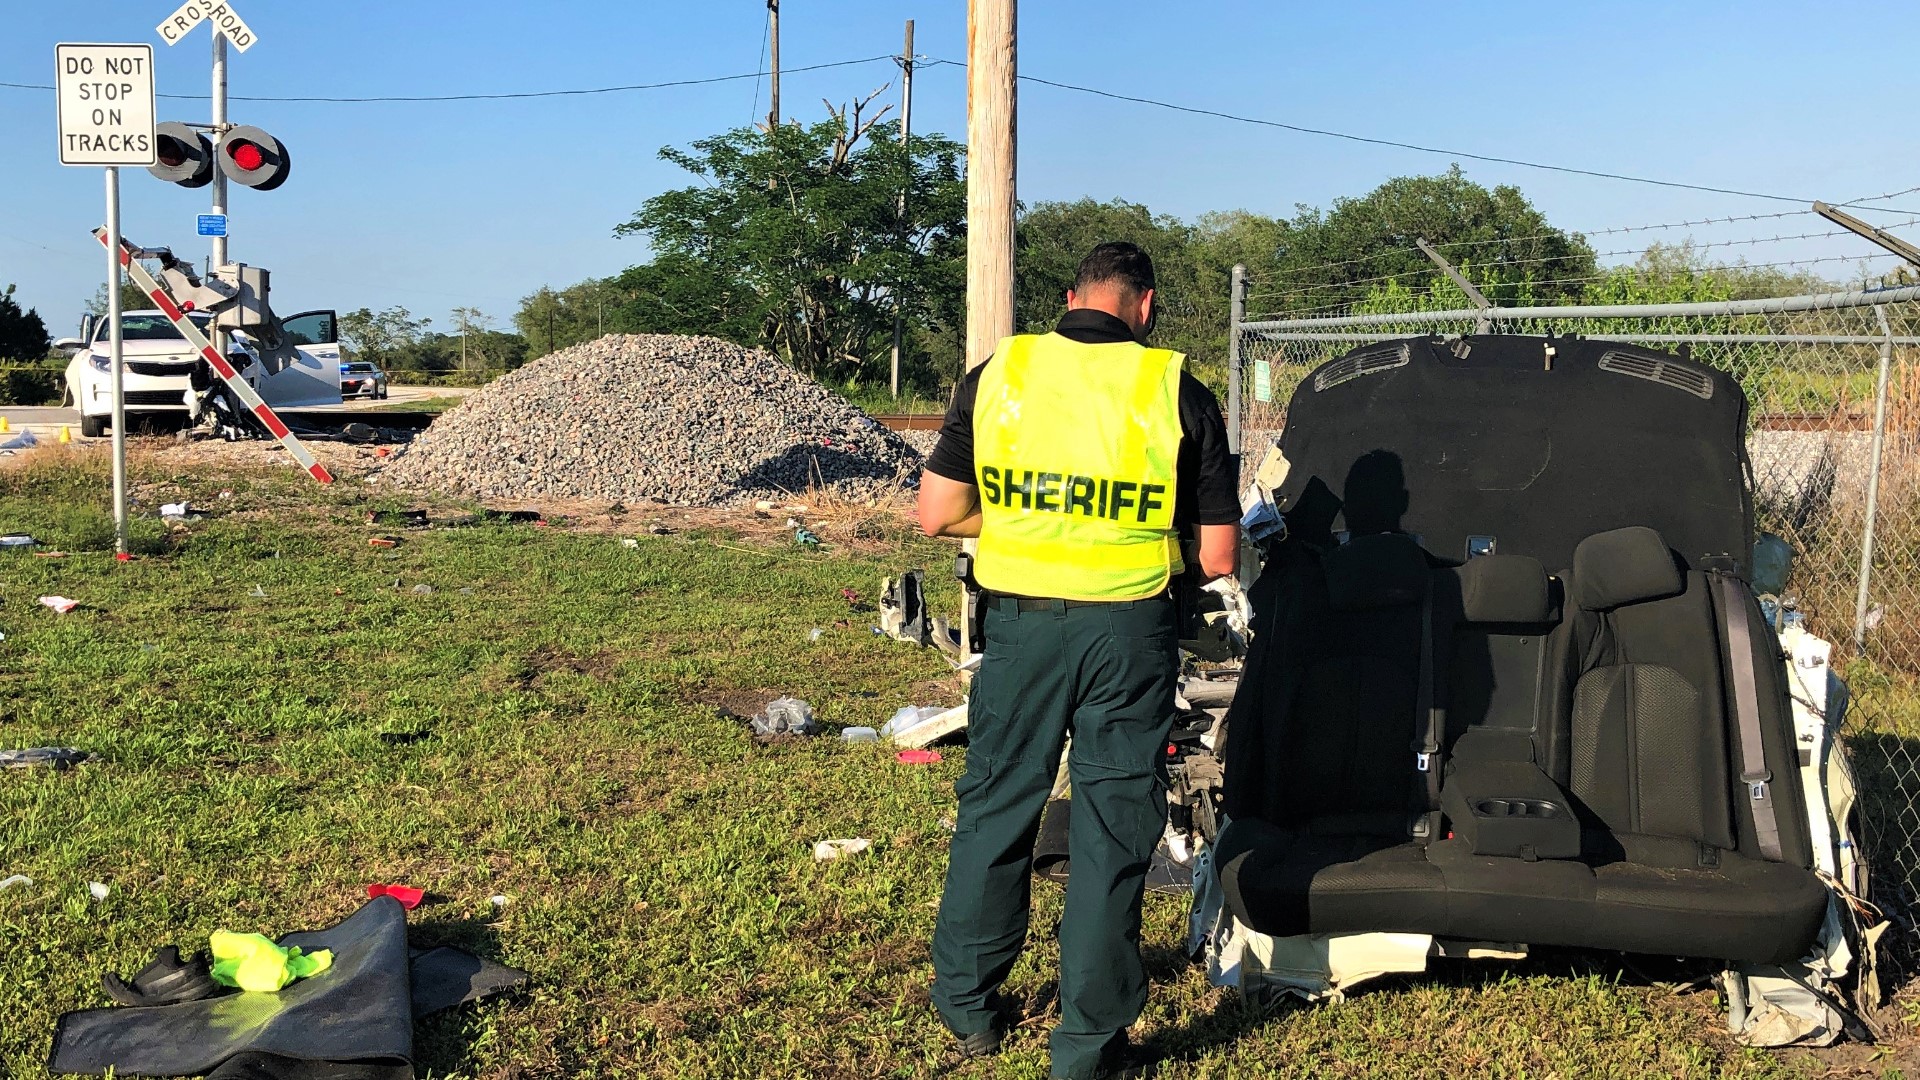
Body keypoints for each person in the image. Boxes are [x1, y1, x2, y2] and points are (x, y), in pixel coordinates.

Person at [917, 242, 1240, 1080]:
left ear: (1070, 298)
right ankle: (1088, 1048)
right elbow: (1214, 557)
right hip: (1127, 633)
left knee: (997, 803)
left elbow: (936, 512)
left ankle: (967, 1008)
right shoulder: (1177, 389)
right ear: (1146, 305)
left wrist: (1031, 525)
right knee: (1110, 827)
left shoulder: (1000, 373)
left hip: (1020, 629)